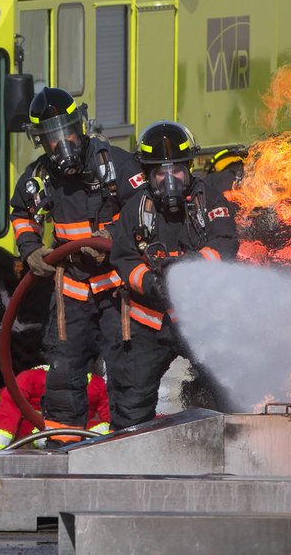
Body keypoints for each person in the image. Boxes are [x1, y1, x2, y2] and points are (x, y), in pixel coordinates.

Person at [8, 87, 146, 443]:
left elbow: (143, 209)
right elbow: (22, 212)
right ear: (40, 142)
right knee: (64, 373)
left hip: (118, 290)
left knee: (126, 371)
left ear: (80, 126)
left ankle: (128, 444)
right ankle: (63, 447)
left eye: (67, 131)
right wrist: (30, 248)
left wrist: (112, 236)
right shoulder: (39, 177)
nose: (62, 143)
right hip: (71, 291)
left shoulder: (115, 164)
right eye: (52, 138)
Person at [107, 121, 239, 429]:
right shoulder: (135, 210)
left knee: (226, 393)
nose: (170, 180)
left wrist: (191, 270)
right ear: (148, 174)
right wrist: (152, 283)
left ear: (189, 168)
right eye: (160, 172)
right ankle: (129, 464)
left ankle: (231, 455)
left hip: (202, 323)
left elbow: (226, 243)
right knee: (132, 403)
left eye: (177, 170)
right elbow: (124, 258)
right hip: (150, 325)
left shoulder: (211, 203)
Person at [0, 363, 112, 449]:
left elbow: (8, 410)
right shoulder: (96, 384)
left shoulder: (30, 378)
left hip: (52, 436)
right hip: (63, 436)